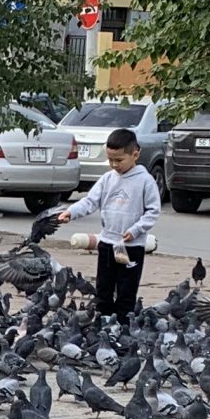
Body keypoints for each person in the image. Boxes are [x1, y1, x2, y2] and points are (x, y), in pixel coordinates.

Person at [52, 128, 161, 319]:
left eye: (119, 160)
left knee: (126, 291)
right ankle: (102, 323)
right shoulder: (107, 179)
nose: (114, 164)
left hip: (132, 247)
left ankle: (123, 326)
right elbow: (90, 201)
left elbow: (153, 211)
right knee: (103, 289)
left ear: (135, 154)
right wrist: (71, 212)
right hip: (107, 243)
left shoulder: (145, 181)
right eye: (110, 160)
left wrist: (136, 230)